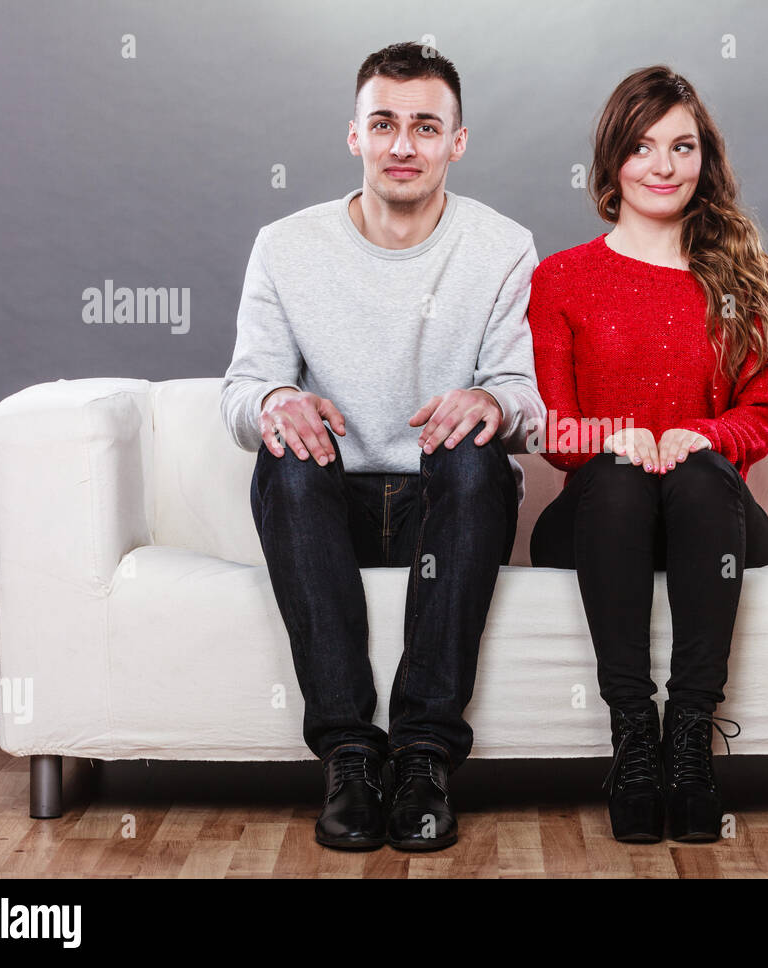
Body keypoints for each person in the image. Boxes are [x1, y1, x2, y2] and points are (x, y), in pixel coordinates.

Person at [221, 42, 546, 852]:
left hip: (448, 509)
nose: (403, 144)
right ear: (355, 136)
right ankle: (350, 756)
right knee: (286, 448)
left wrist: (492, 400)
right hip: (334, 508)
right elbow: (240, 393)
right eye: (384, 124)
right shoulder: (285, 245)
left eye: (426, 127)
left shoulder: (503, 245)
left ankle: (425, 755)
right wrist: (275, 401)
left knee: (476, 450)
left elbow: (527, 403)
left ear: (456, 143)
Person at [527, 66, 768, 843]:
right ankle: (633, 746)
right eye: (642, 147)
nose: (664, 166)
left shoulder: (748, 276)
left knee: (697, 471)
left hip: (709, 518)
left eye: (682, 147)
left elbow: (764, 412)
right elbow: (554, 429)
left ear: (704, 159)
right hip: (600, 519)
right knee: (620, 476)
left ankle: (689, 745)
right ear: (613, 160)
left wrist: (704, 434)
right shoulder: (561, 279)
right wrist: (615, 436)